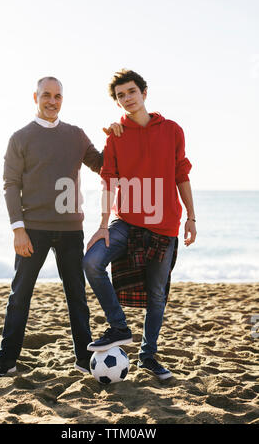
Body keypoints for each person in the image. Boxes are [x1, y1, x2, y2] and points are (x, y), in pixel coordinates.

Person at [0, 76, 119, 378]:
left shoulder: (75, 135)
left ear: (63, 99)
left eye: (58, 96)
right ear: (35, 97)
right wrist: (17, 229)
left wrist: (116, 138)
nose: (52, 101)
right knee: (20, 294)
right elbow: (11, 184)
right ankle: (6, 360)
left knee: (76, 294)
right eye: (46, 95)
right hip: (33, 229)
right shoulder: (20, 137)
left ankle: (82, 359)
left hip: (71, 229)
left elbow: (103, 165)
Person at [83, 69, 196, 380]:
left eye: (131, 92)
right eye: (121, 96)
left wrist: (191, 217)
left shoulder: (172, 130)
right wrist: (104, 223)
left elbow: (181, 174)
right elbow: (108, 180)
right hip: (127, 221)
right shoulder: (116, 135)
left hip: (165, 226)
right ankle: (119, 327)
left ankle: (148, 355)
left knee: (157, 294)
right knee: (92, 262)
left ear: (144, 93)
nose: (127, 98)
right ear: (118, 102)